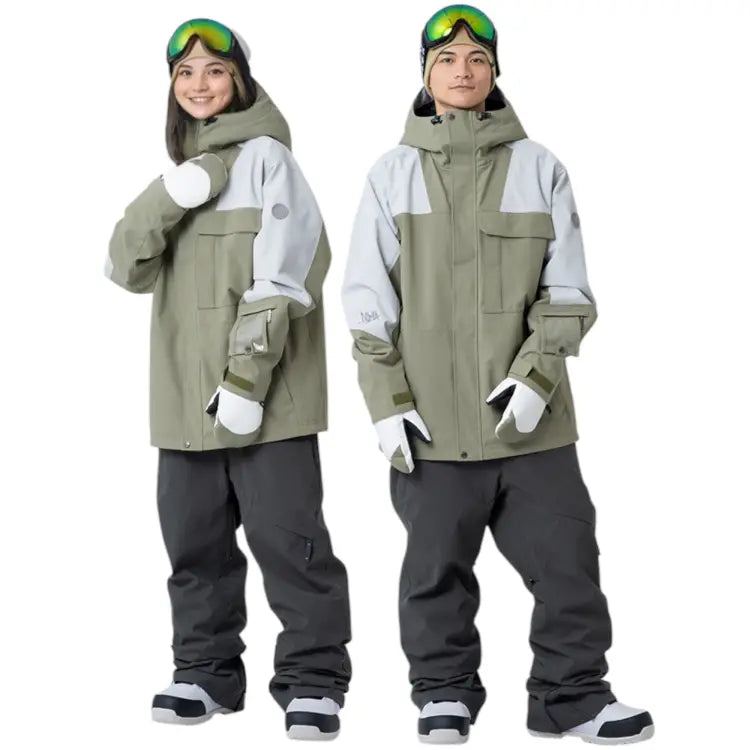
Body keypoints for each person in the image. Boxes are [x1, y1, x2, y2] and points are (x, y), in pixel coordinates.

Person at [341, 4, 653, 745]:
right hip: (429, 425)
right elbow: (366, 303)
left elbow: (569, 292)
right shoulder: (391, 175)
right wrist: (386, 403)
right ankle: (442, 696)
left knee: (568, 561)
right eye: (446, 60)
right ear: (425, 74)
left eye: (477, 59)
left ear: (495, 72)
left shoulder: (541, 167)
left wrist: (537, 380)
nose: (463, 71)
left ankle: (571, 698)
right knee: (434, 573)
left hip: (531, 425)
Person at [106, 18, 351, 740]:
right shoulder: (183, 175)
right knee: (194, 547)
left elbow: (287, 277)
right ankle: (205, 674)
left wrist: (245, 382)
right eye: (185, 74)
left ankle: (313, 681)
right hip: (184, 404)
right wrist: (169, 193)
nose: (200, 84)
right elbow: (123, 268)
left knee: (291, 545)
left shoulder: (270, 160)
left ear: (239, 80)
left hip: (270, 402)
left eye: (215, 70)